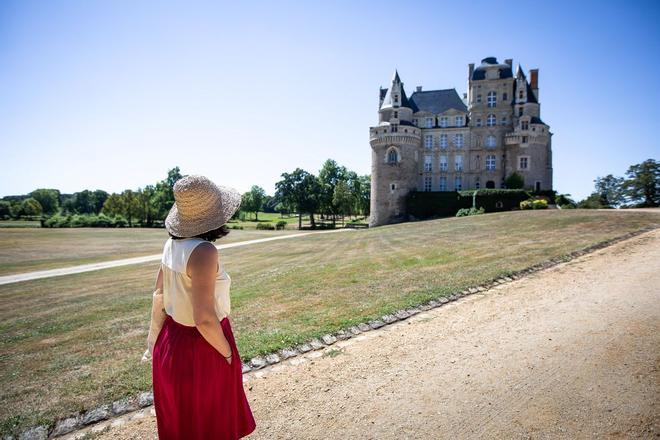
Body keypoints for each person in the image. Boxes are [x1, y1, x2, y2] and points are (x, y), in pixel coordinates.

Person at [151, 174, 256, 439]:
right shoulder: (204, 252)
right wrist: (228, 355)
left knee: (184, 424)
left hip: (171, 342)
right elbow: (204, 318)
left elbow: (158, 294)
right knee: (210, 425)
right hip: (201, 347)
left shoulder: (170, 245)